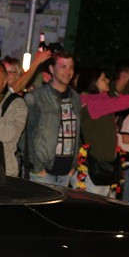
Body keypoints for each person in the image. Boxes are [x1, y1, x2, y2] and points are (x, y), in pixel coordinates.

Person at [75, 66, 129, 197]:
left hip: (103, 165)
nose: (108, 80)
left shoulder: (98, 101)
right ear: (93, 83)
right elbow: (127, 101)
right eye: (103, 79)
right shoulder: (94, 105)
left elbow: (119, 96)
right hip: (97, 167)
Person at [23, 50, 81, 187]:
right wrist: (36, 166)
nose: (68, 71)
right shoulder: (36, 97)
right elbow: (25, 135)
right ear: (51, 69)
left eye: (71, 67)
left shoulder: (75, 97)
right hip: (43, 171)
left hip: (66, 172)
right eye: (63, 66)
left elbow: (76, 133)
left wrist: (73, 164)